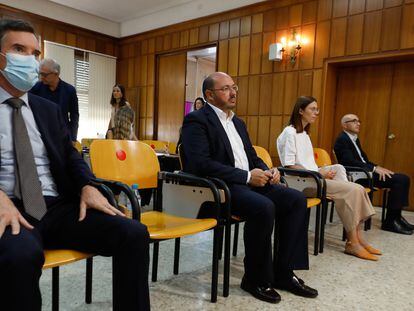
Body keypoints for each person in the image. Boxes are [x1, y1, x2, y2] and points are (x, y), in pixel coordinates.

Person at [0, 19, 150, 311]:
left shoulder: (47, 109)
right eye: (19, 49)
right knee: (20, 257)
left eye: (34, 53)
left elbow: (70, 157)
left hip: (56, 206)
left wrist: (87, 185)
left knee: (133, 234)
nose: (29, 60)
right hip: (10, 207)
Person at [182, 72, 318, 304]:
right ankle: (255, 278)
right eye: (225, 88)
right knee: (263, 207)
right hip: (222, 186)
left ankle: (283, 273)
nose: (233, 92)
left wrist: (269, 170)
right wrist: (246, 177)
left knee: (295, 199)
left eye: (234, 87)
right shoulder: (197, 120)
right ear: (209, 95)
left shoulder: (238, 122)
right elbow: (200, 164)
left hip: (249, 182)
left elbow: (252, 157)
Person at [277, 96, 380, 261]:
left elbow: (308, 164)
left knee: (354, 185)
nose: (316, 113)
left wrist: (321, 171)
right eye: (313, 109)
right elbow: (289, 166)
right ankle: (353, 242)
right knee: (352, 191)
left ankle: (357, 237)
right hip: (300, 182)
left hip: (312, 177)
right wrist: (319, 174)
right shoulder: (290, 132)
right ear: (300, 111)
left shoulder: (304, 133)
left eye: (317, 109)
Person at [334, 114, 413, 235]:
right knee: (400, 180)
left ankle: (396, 217)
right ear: (345, 125)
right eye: (354, 121)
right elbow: (349, 162)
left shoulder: (354, 138)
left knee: (403, 178)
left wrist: (377, 167)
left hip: (366, 173)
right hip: (358, 177)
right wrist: (374, 169)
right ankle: (390, 222)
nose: (358, 123)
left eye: (359, 121)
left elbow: (364, 160)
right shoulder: (342, 139)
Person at [30, 58, 79, 142]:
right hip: (41, 135)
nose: (41, 78)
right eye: (40, 74)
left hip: (62, 136)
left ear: (56, 74)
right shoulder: (35, 89)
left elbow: (74, 115)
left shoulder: (70, 90)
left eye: (44, 75)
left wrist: (72, 137)